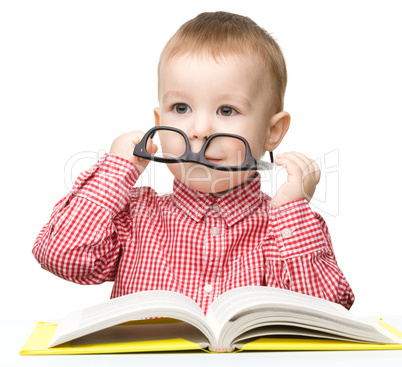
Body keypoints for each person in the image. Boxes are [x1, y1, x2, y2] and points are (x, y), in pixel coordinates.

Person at [33, 11, 354, 313]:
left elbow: (327, 310)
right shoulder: (132, 217)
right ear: (159, 119)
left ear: (272, 132)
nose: (199, 130)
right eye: (182, 108)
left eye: (227, 110)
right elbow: (62, 256)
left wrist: (291, 208)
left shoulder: (285, 226)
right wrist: (115, 172)